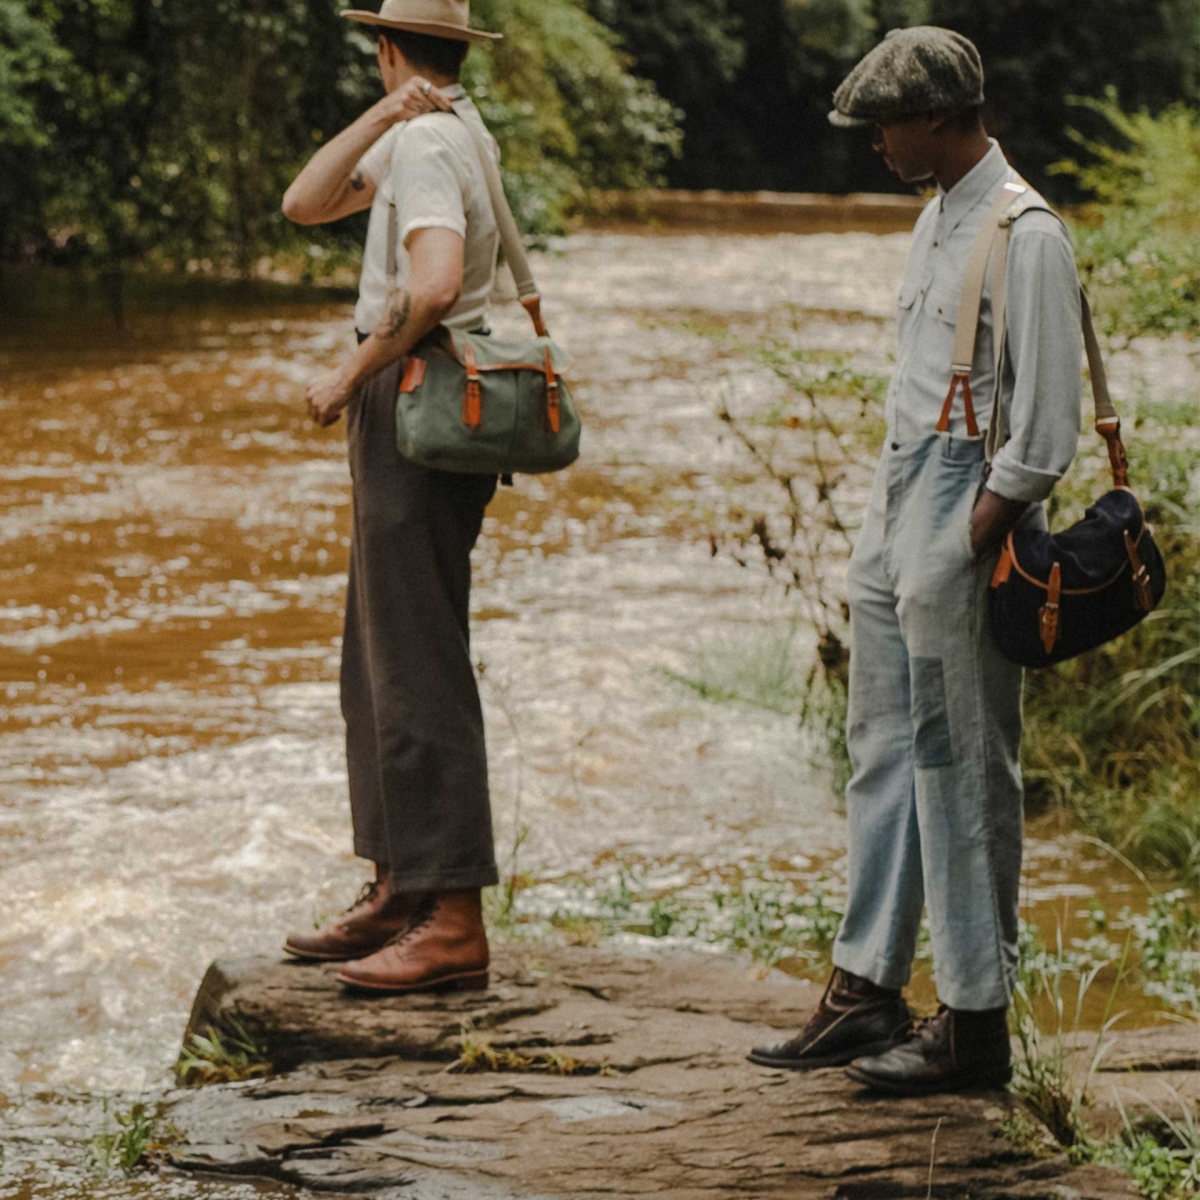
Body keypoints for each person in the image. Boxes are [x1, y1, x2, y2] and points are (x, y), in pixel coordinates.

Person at [749, 27, 1082, 1094]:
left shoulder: (1027, 233)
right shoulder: (934, 214)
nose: (875, 141)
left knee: (966, 765)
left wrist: (970, 534)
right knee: (883, 744)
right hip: (900, 499)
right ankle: (866, 986)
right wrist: (896, 527)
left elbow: (1045, 430)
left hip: (964, 510)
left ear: (939, 117)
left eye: (886, 123)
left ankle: (974, 1023)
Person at [278, 0, 505, 994]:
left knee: (415, 661)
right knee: (376, 656)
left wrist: (346, 375)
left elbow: (436, 285)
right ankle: (400, 888)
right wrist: (380, 118)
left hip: (417, 401)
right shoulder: (439, 131)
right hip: (425, 406)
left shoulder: (423, 148)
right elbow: (305, 201)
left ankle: (451, 916)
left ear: (384, 49)